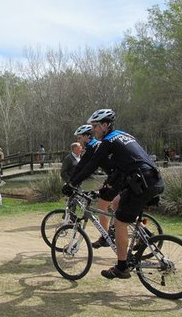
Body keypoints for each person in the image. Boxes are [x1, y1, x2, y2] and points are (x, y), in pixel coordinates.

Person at [63, 109, 164, 279]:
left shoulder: (108, 141)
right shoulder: (125, 135)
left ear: (104, 125)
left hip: (142, 183)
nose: (93, 130)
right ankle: (142, 234)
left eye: (95, 126)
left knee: (119, 222)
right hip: (153, 179)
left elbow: (90, 166)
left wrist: (72, 184)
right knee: (116, 203)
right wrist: (108, 185)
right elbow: (124, 165)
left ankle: (122, 267)